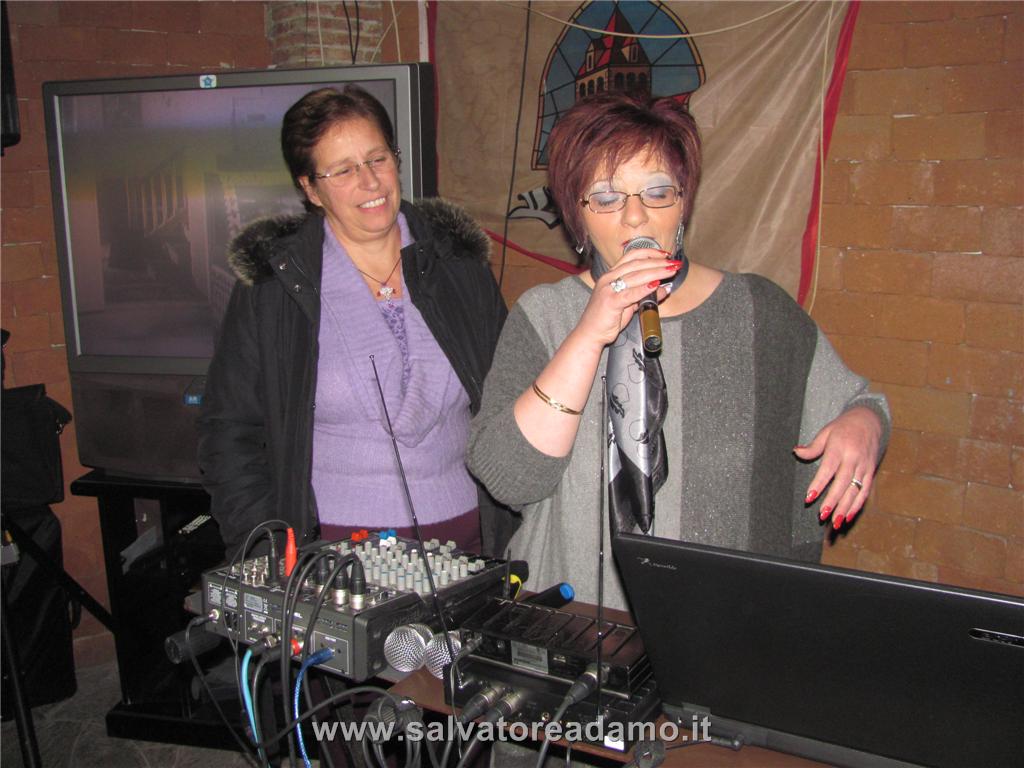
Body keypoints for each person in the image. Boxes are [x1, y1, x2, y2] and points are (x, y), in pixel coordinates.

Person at [466, 91, 890, 611]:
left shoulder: (758, 311)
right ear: (577, 214)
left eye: (657, 192)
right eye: (607, 197)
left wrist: (865, 425)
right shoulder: (546, 315)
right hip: (571, 616)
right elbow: (509, 477)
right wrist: (588, 335)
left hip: (716, 619)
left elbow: (858, 403)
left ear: (683, 202)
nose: (635, 217)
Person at [197, 85, 507, 557]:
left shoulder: (458, 265)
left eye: (377, 159)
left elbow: (509, 401)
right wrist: (267, 548)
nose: (370, 182)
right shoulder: (275, 286)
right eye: (343, 170)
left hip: (469, 541)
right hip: (330, 555)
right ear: (310, 188)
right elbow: (230, 432)